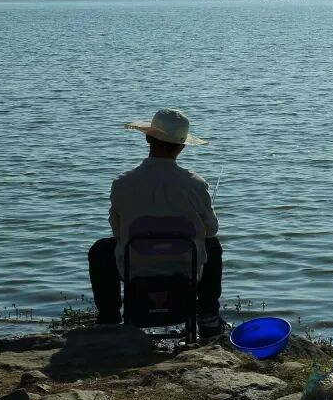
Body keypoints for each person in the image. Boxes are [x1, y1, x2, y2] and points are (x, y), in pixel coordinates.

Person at [87, 108, 228, 337]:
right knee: (212, 246)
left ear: (147, 139)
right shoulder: (195, 184)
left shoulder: (122, 184)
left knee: (100, 250)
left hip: (134, 267)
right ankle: (208, 317)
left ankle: (109, 319)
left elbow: (117, 232)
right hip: (186, 268)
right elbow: (211, 230)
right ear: (181, 147)